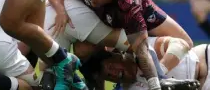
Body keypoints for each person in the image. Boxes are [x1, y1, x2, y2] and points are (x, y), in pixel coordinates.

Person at [47, 0, 194, 90]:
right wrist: (61, 11)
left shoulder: (129, 7)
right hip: (98, 19)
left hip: (142, 9)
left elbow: (141, 49)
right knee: (83, 50)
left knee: (185, 41)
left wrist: (155, 84)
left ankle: (160, 76)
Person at [77, 37, 205, 90]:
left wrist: (159, 73)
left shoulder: (140, 50)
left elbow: (181, 44)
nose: (114, 74)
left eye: (111, 67)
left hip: (205, 62)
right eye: (109, 76)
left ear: (116, 56)